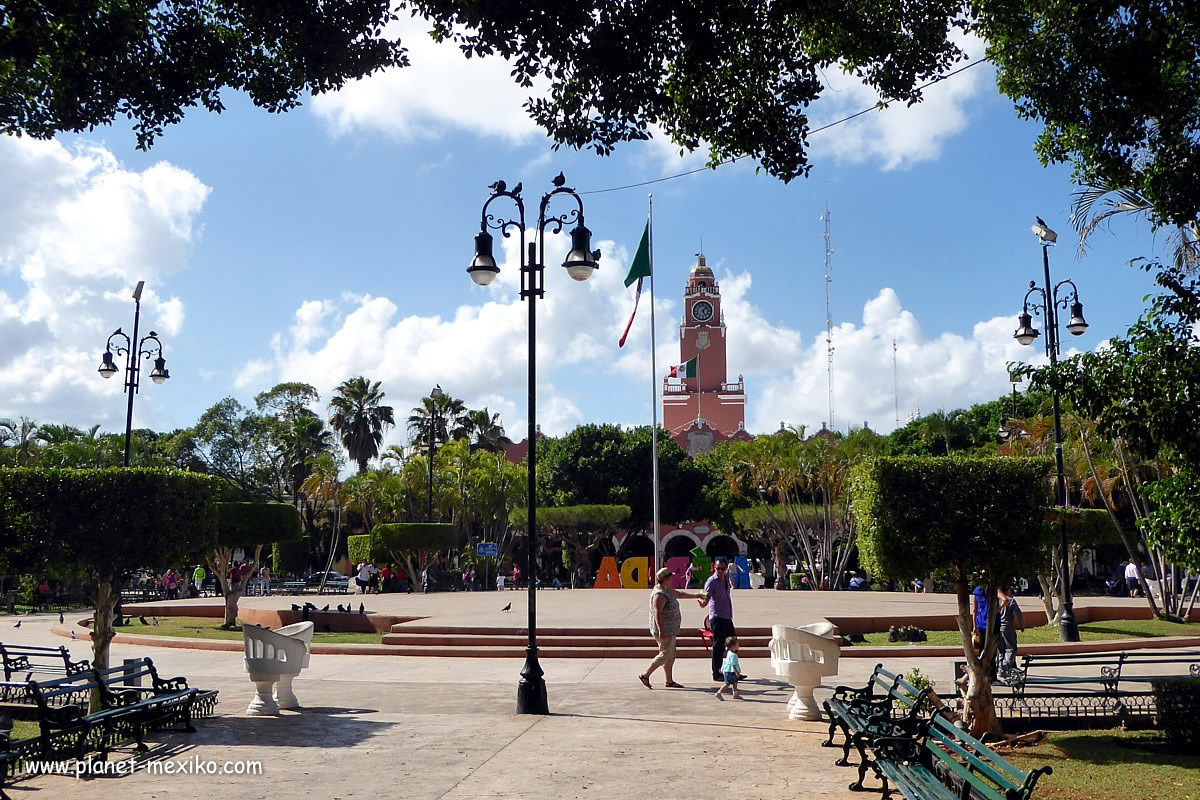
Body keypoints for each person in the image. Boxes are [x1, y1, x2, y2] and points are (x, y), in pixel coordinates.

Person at [638, 567, 701, 690]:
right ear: (665, 579)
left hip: (671, 629)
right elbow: (657, 612)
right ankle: (645, 674)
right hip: (665, 630)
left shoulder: (667, 590)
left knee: (670, 655)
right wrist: (661, 629)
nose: (672, 579)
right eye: (670, 577)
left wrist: (696, 595)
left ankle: (669, 680)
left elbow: (679, 594)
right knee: (665, 654)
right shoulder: (659, 594)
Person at [700, 558, 738, 683]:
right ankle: (716, 672)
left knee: (732, 643)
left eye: (723, 568)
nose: (720, 571)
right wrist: (703, 603)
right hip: (717, 617)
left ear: (727, 568)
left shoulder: (726, 579)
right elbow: (707, 595)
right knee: (718, 645)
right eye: (718, 569)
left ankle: (731, 670)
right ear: (714, 568)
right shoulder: (711, 581)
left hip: (727, 616)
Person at [997, 585, 1025, 677]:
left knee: (1000, 649)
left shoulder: (996, 600)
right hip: (1007, 626)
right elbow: (1019, 614)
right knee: (1011, 648)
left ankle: (1000, 668)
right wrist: (1022, 626)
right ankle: (1005, 667)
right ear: (1007, 590)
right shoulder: (1010, 600)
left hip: (997, 626)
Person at [714, 636, 743, 700]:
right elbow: (733, 664)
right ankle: (719, 692)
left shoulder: (729, 653)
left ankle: (735, 693)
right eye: (737, 644)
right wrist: (737, 672)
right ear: (733, 646)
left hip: (728, 671)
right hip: (731, 671)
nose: (739, 645)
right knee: (727, 683)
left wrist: (722, 668)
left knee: (735, 682)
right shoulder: (733, 655)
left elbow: (726, 661)